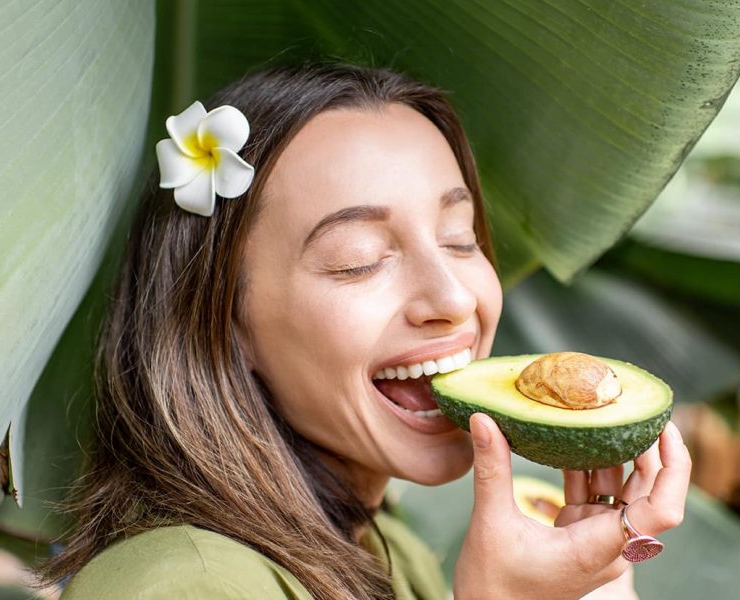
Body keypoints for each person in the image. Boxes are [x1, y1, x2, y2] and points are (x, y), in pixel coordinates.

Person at [37, 62, 691, 600]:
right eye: (360, 259)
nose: (452, 297)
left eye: (460, 240)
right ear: (225, 324)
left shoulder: (387, 548)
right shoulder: (183, 587)